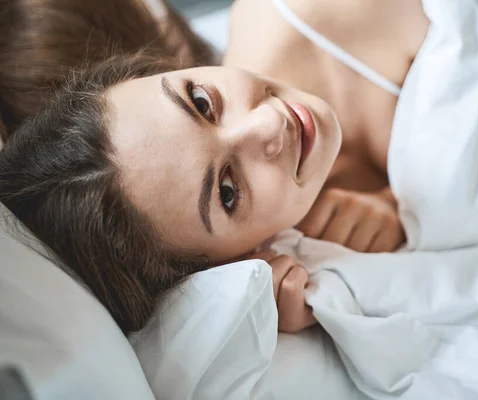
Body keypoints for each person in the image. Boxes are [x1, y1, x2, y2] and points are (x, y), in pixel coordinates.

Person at [0, 0, 430, 332]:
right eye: (227, 192)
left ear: (157, 68)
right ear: (232, 261)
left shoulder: (327, 12)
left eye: (200, 101)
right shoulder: (321, 240)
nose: (268, 122)